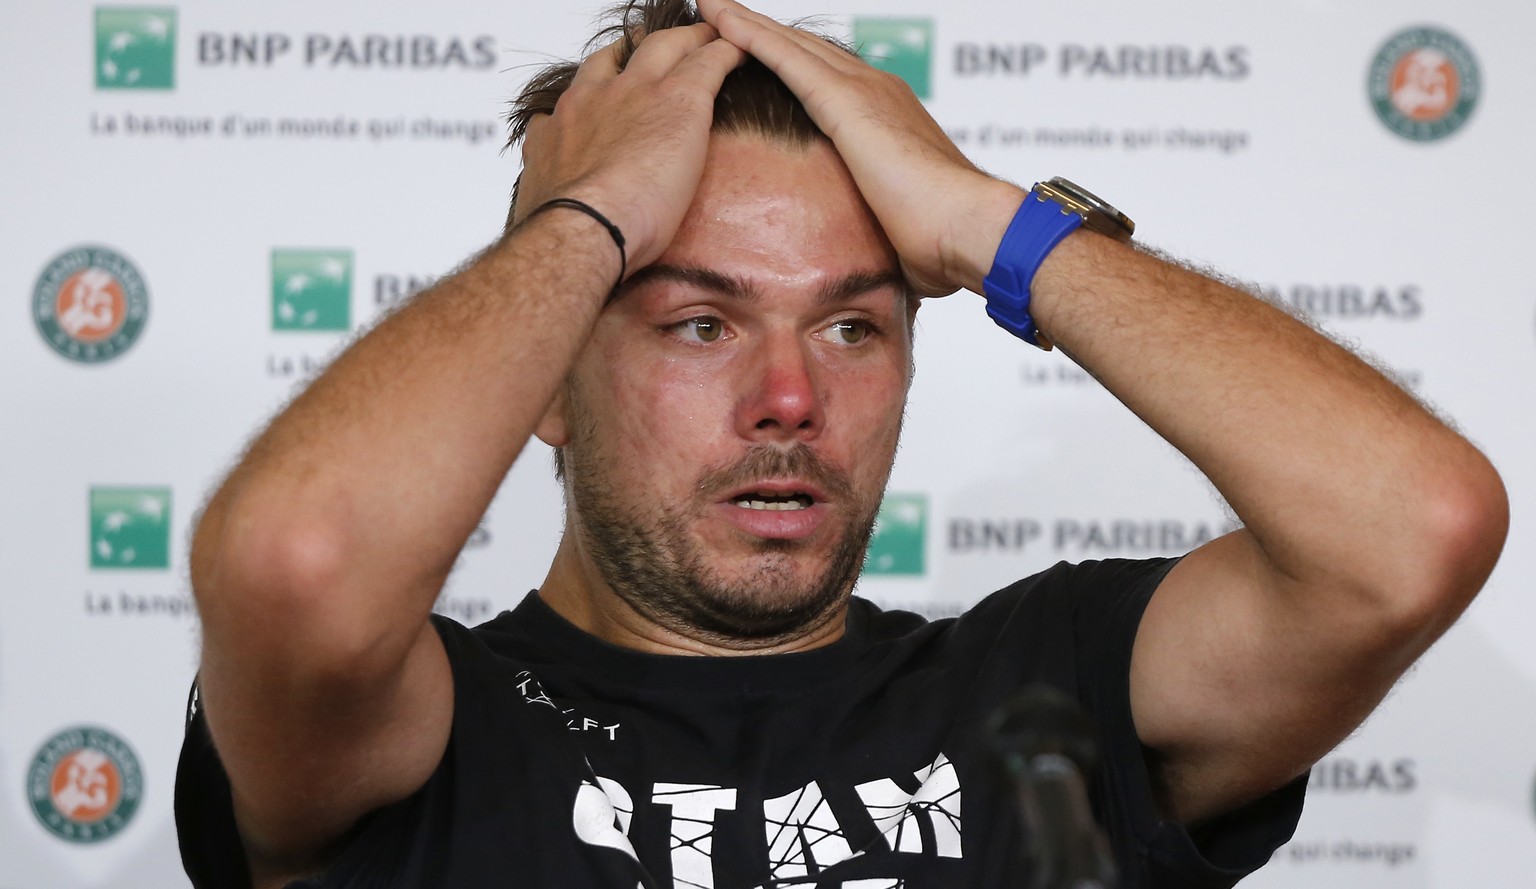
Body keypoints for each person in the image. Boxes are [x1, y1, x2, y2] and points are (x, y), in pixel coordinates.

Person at [174, 1, 1509, 887]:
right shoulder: (428, 727)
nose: (790, 397)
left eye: (854, 327)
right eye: (698, 320)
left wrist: (993, 224)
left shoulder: (1038, 689)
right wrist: (589, 222)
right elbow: (299, 559)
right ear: (544, 385)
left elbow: (1409, 532)